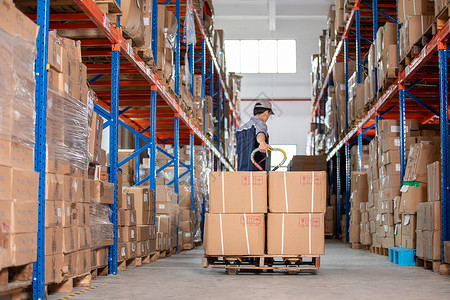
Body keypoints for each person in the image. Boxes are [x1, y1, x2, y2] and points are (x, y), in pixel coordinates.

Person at [236, 99, 274, 171]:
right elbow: (260, 132)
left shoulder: (240, 130)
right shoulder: (260, 123)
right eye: (269, 114)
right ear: (266, 112)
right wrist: (262, 142)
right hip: (256, 173)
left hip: (242, 172)